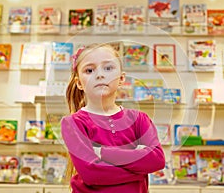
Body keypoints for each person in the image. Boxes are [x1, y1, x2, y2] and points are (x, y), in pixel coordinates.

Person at [61, 43, 166, 193]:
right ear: (79, 83)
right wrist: (139, 167)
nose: (100, 75)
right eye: (89, 70)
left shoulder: (139, 119)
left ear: (122, 78)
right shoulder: (73, 123)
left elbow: (157, 160)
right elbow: (92, 174)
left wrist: (102, 153)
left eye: (108, 68)